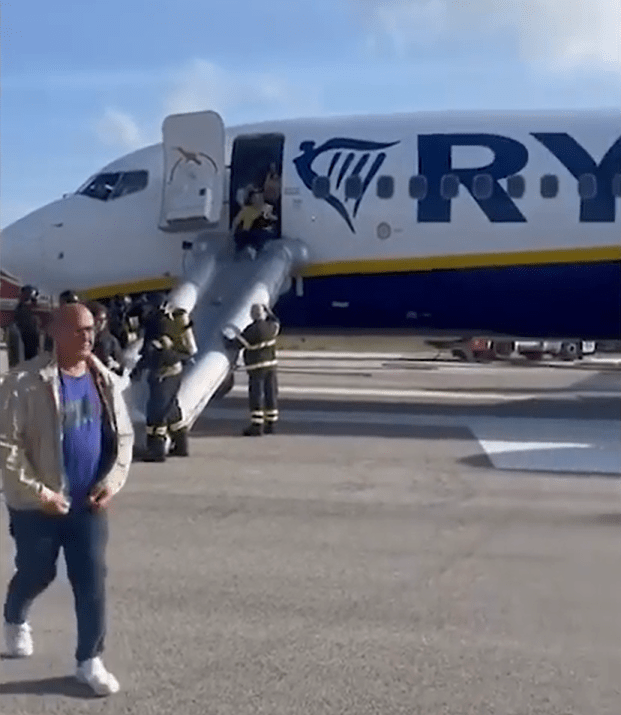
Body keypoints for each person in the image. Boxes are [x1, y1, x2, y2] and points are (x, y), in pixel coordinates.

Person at [0, 302, 134, 696]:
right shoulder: (23, 382)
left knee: (91, 579)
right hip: (37, 505)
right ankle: (15, 614)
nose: (88, 337)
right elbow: (6, 446)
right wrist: (39, 492)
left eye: (91, 329)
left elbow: (123, 438)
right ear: (54, 334)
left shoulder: (104, 379)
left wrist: (112, 481)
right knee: (37, 571)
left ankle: (89, 660)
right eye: (78, 330)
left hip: (88, 505)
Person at [132, 301, 197, 461]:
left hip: (163, 375)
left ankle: (156, 451)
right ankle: (181, 445)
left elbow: (150, 355)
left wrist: (138, 369)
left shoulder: (156, 329)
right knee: (172, 409)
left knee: (156, 411)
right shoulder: (168, 323)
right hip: (175, 373)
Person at [228, 303, 280, 436]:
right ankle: (271, 424)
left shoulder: (251, 330)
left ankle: (257, 425)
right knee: (271, 394)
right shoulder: (271, 327)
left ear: (252, 315)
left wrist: (224, 338)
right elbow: (276, 322)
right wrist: (270, 312)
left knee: (256, 395)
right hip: (271, 366)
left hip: (256, 368)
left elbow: (236, 344)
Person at [231, 187, 276, 258]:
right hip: (246, 233)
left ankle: (256, 251)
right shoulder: (246, 209)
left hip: (258, 234)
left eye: (259, 198)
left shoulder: (265, 209)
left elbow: (272, 219)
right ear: (251, 199)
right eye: (255, 198)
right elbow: (236, 222)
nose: (257, 200)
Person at [88, 301, 125, 376]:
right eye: (97, 321)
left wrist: (115, 365)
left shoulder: (110, 341)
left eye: (102, 321)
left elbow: (121, 368)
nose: (100, 324)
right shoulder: (80, 339)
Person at [12, 285, 42, 364]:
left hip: (30, 334)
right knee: (30, 355)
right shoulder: (21, 308)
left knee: (31, 355)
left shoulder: (23, 307)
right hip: (27, 334)